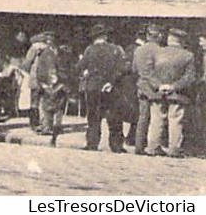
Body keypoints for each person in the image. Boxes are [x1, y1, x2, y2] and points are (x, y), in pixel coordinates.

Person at [143, 26, 197, 158]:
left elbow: (147, 73)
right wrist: (173, 87)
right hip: (177, 94)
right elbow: (189, 78)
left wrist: (159, 85)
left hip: (157, 92)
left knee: (156, 120)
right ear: (181, 41)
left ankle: (152, 147)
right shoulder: (188, 56)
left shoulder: (157, 53)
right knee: (175, 120)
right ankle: (174, 149)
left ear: (169, 39)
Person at [75, 22, 128, 153]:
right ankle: (116, 145)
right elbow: (122, 68)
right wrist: (111, 81)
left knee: (93, 116)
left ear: (94, 37)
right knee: (114, 116)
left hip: (93, 87)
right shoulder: (116, 49)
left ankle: (92, 143)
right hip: (111, 87)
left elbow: (79, 67)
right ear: (105, 36)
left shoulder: (89, 50)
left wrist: (86, 72)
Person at [27, 31, 66, 142]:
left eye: (51, 40)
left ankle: (53, 126)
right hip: (40, 80)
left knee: (56, 104)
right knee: (41, 104)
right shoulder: (40, 50)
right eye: (47, 40)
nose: (49, 42)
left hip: (55, 81)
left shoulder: (57, 51)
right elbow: (30, 64)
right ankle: (41, 125)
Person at [132, 23, 164, 155]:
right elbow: (162, 70)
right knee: (157, 117)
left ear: (147, 35)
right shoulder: (160, 50)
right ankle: (154, 145)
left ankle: (139, 146)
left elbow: (134, 69)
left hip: (142, 86)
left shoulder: (138, 50)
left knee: (143, 117)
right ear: (159, 36)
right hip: (155, 87)